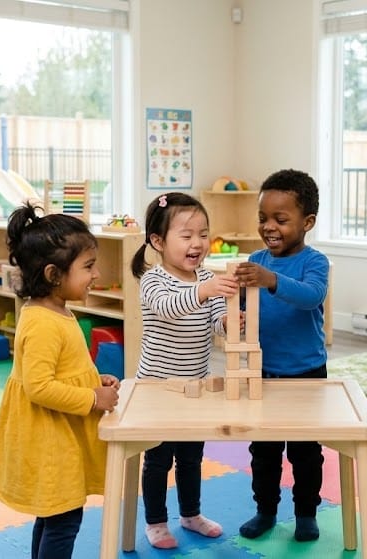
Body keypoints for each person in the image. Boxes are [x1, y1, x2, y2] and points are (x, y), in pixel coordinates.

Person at [0, 202, 121, 559]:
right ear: (53, 274)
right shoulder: (42, 323)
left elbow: (66, 369)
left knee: (53, 517)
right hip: (49, 440)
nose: (96, 274)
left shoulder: (57, 310)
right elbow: (39, 387)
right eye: (89, 266)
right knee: (63, 520)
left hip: (59, 434)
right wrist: (93, 399)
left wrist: (96, 380)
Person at [128, 192, 238, 549]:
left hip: (195, 388)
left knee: (191, 456)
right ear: (158, 241)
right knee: (158, 459)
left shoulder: (205, 277)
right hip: (158, 389)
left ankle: (191, 514)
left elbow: (216, 324)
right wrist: (203, 291)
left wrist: (230, 320)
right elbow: (169, 308)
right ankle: (156, 521)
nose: (198, 243)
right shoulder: (153, 281)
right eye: (187, 235)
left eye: (203, 234)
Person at [233, 169, 330, 543]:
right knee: (264, 450)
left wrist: (270, 280)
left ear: (307, 222)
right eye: (262, 218)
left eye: (280, 219)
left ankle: (306, 513)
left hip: (305, 372)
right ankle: (265, 510)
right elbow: (240, 303)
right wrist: (235, 310)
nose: (269, 226)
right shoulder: (257, 259)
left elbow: (311, 296)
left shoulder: (314, 262)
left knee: (306, 452)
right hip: (263, 370)